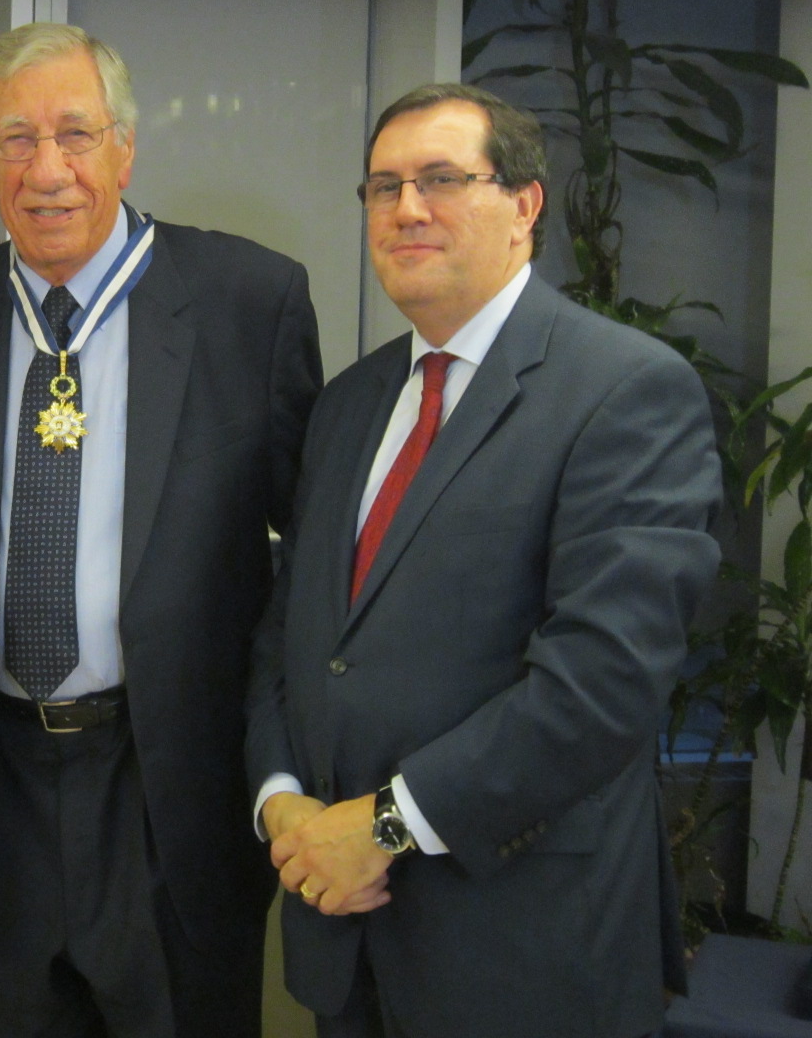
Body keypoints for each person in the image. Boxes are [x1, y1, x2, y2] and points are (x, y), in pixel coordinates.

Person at [0, 22, 322, 1037]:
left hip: (170, 793)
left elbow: (315, 562)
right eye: (15, 139)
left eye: (74, 133)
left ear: (125, 146)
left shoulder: (249, 304)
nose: (46, 169)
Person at [246, 83, 723, 1038]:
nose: (407, 209)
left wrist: (381, 825)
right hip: (349, 941)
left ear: (525, 205)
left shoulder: (625, 390)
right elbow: (288, 635)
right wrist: (283, 804)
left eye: (441, 180)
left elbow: (603, 682)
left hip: (524, 950)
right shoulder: (349, 404)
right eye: (384, 187)